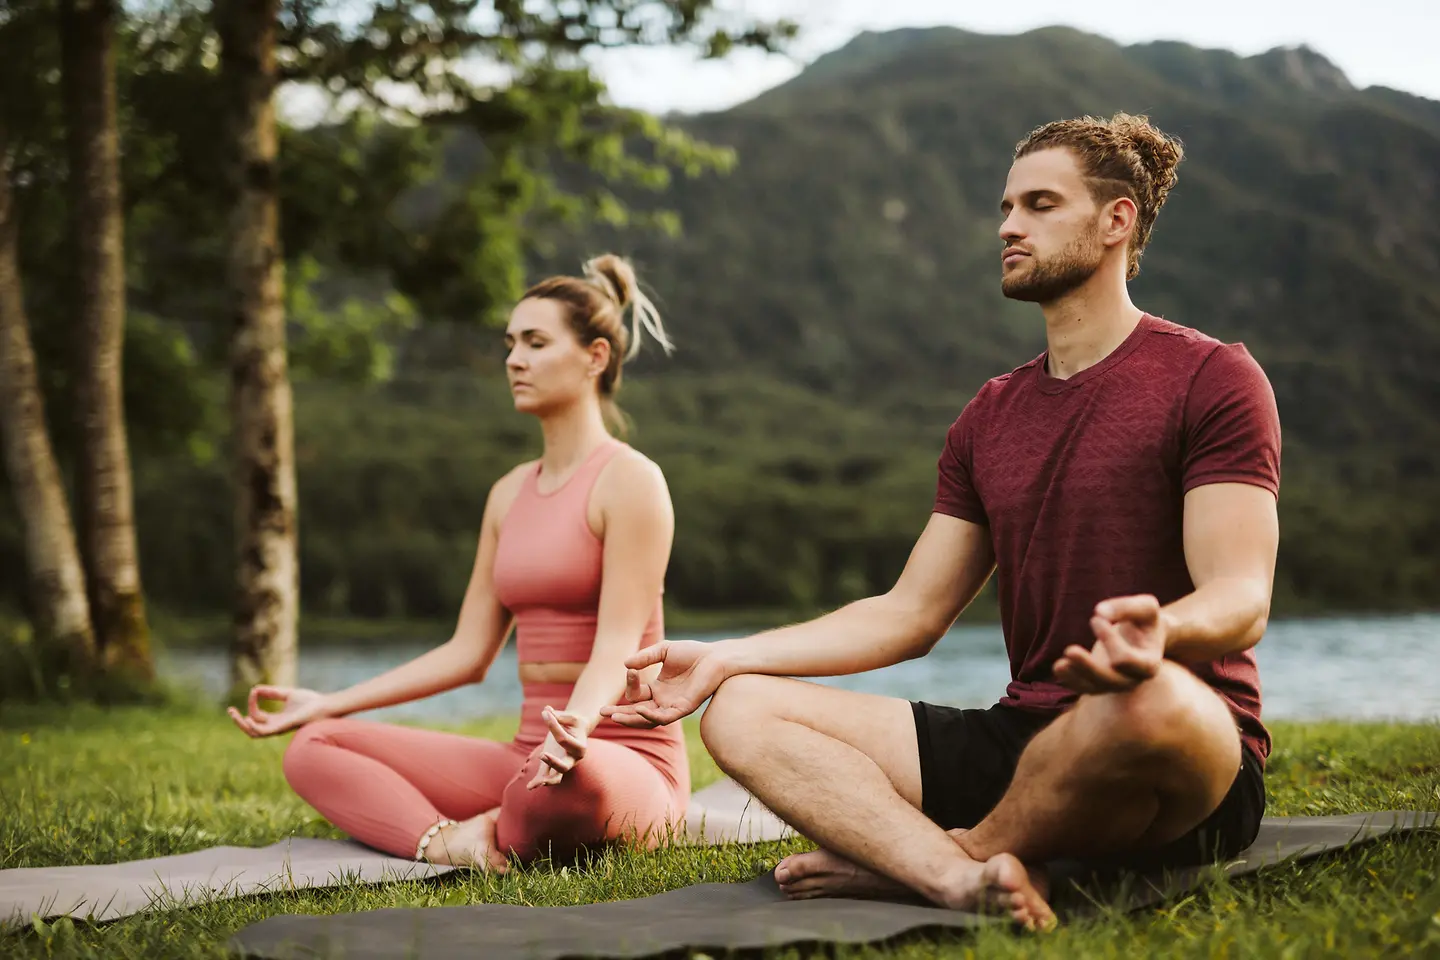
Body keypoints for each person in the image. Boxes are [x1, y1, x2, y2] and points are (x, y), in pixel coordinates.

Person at [602, 113, 1281, 930]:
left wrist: (1161, 635)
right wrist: (723, 658)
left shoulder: (1212, 377)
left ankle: (948, 856)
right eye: (1006, 206)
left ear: (1117, 221)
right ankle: (957, 881)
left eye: (1038, 204)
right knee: (744, 710)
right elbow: (909, 612)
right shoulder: (989, 416)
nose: (1007, 225)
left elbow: (1241, 594)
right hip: (1023, 738)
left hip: (1180, 745)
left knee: (1147, 703)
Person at [228, 254, 689, 871]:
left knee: (558, 788)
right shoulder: (507, 494)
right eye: (510, 344)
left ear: (595, 357)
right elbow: (468, 652)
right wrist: (331, 702)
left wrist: (573, 730)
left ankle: (516, 817)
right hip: (529, 752)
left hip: (619, 756)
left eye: (535, 342)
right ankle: (450, 841)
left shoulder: (631, 480)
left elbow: (617, 645)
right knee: (314, 747)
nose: (514, 360)